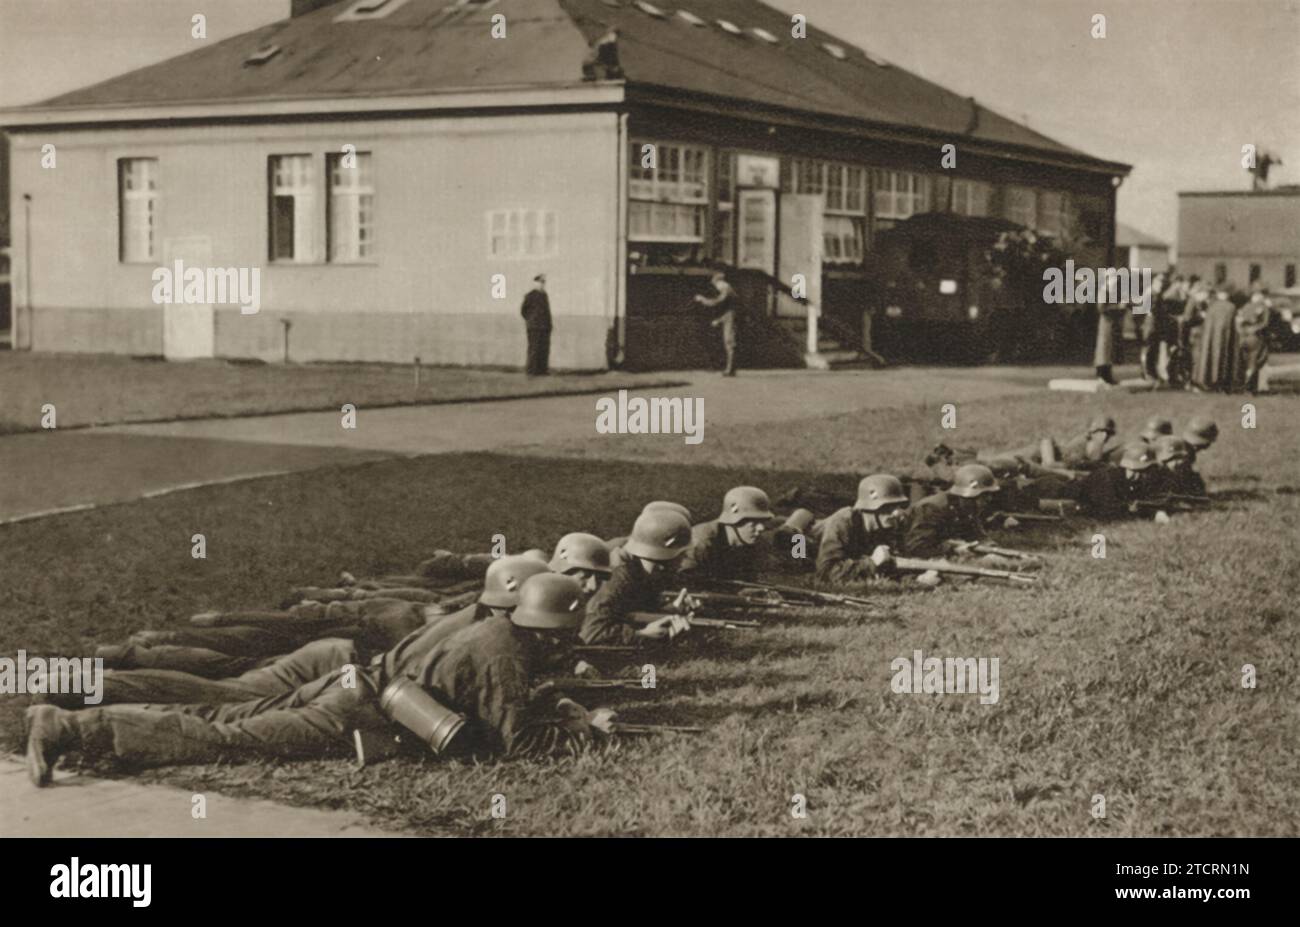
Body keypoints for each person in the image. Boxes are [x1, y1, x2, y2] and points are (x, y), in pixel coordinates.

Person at [25, 574, 610, 786]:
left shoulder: (491, 630)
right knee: (226, 734)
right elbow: (521, 744)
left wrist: (551, 698)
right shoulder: (503, 651)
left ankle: (75, 706)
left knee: (222, 709)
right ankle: (75, 726)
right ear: (553, 627)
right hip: (356, 713)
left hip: (354, 686)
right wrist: (587, 727)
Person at [581, 509, 694, 646]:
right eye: (681, 554)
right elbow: (592, 633)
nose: (684, 559)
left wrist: (670, 610)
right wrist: (641, 635)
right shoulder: (617, 577)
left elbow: (633, 609)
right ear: (664, 554)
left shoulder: (642, 569)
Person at [815, 474, 910, 585]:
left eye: (899, 506)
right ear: (870, 507)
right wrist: (872, 562)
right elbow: (826, 573)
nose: (897, 513)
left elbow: (896, 562)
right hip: (798, 546)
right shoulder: (842, 522)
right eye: (888, 507)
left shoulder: (891, 525)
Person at [677, 486, 774, 582]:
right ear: (734, 520)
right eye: (754, 522)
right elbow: (686, 584)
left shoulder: (755, 543)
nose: (761, 528)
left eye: (762, 522)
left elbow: (753, 578)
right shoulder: (700, 542)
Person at [1191, 285, 1238, 392]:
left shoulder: (1212, 306)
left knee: (1207, 357)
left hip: (1209, 339)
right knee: (1224, 357)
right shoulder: (1231, 307)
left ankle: (1205, 380)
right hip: (1224, 339)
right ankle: (1222, 381)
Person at [695, 271, 740, 376]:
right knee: (728, 342)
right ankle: (729, 368)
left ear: (720, 282)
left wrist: (702, 299)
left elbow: (716, 302)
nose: (716, 287)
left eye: (716, 284)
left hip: (729, 318)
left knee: (729, 342)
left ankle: (730, 369)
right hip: (728, 317)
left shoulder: (726, 290)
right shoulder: (729, 291)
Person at [1093, 269, 1128, 385]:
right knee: (1103, 348)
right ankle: (1101, 374)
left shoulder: (1114, 292)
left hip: (1112, 323)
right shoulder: (1104, 291)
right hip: (1106, 323)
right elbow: (1102, 308)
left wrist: (1122, 307)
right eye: (1113, 279)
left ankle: (1108, 375)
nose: (1115, 281)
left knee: (1110, 349)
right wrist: (1118, 307)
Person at [1234, 290, 1272, 394]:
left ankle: (1244, 385)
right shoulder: (1263, 307)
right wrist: (1254, 329)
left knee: (1245, 361)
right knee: (1255, 361)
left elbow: (1238, 320)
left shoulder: (1245, 307)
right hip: (1255, 337)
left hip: (1243, 337)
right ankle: (1251, 387)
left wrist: (1241, 331)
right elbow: (1265, 323)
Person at [521, 274, 553, 376]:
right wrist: (531, 320)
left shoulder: (544, 295)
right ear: (535, 283)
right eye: (541, 282)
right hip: (534, 327)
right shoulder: (530, 295)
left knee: (544, 349)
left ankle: (542, 370)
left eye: (544, 283)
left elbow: (547, 312)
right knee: (534, 349)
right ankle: (532, 371)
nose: (542, 284)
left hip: (545, 327)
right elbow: (523, 311)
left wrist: (549, 325)